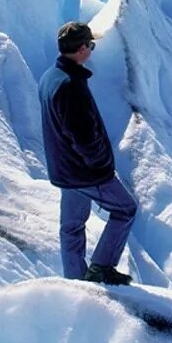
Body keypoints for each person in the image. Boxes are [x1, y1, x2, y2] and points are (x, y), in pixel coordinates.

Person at [39, 22, 137, 285]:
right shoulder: (70, 85)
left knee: (71, 227)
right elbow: (82, 136)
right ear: (82, 48)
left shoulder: (50, 77)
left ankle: (75, 280)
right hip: (85, 172)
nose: (92, 49)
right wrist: (102, 165)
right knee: (126, 209)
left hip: (64, 171)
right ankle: (101, 267)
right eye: (91, 45)